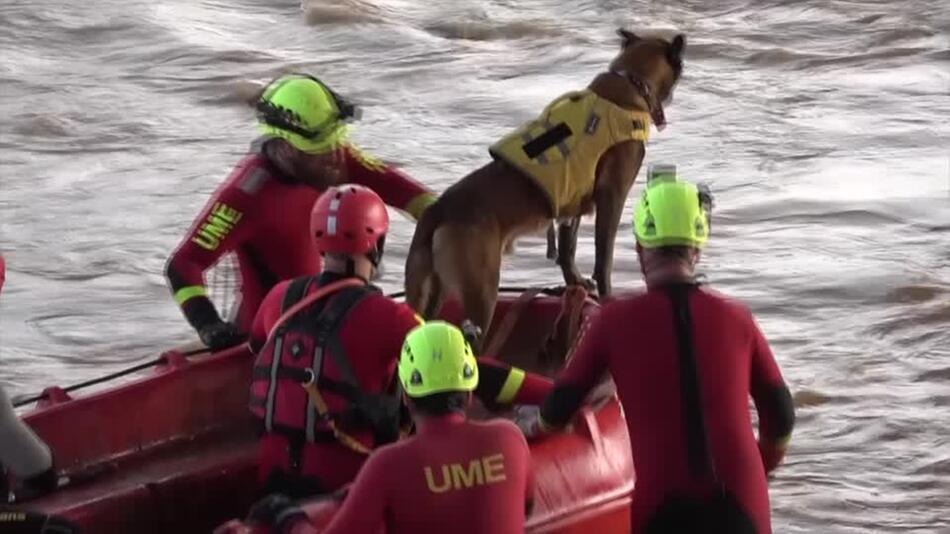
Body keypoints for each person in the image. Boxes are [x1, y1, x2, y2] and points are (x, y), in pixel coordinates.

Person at [516, 167, 796, 534]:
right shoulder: (737, 319)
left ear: (638, 247)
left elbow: (560, 406)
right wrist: (763, 465)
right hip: (741, 503)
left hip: (664, 509)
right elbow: (781, 414)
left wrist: (531, 426)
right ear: (697, 250)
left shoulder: (613, 322)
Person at [247, 185, 550, 500]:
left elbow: (259, 348)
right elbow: (464, 371)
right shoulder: (389, 317)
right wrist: (553, 393)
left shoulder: (278, 298)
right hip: (347, 486)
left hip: (273, 485)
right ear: (377, 246)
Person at [165, 72, 436, 351]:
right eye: (320, 149)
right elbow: (184, 265)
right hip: (265, 341)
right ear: (285, 147)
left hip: (325, 324)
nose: (336, 155)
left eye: (337, 141)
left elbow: (413, 196)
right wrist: (209, 326)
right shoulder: (247, 194)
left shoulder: (333, 157)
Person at [252, 321, 535, 534]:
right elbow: (526, 506)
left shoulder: (389, 464)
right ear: (470, 392)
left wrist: (289, 517)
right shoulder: (510, 439)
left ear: (407, 396)